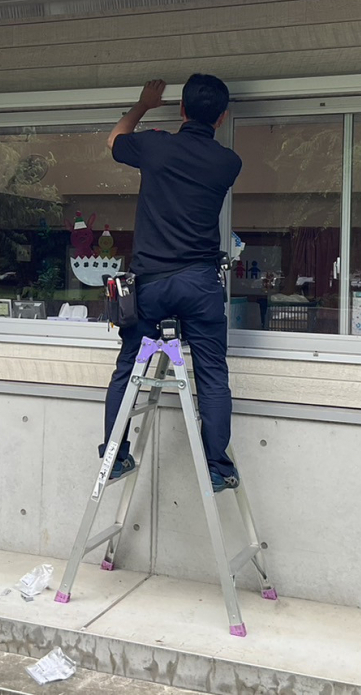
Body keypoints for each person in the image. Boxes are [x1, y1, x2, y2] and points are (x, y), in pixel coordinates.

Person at [102, 74, 243, 492]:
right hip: (199, 283)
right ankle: (216, 467)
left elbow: (114, 140)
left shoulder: (155, 146)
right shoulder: (228, 163)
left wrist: (144, 103)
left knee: (128, 368)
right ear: (222, 117)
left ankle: (114, 458)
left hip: (151, 284)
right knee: (213, 374)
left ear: (181, 110)